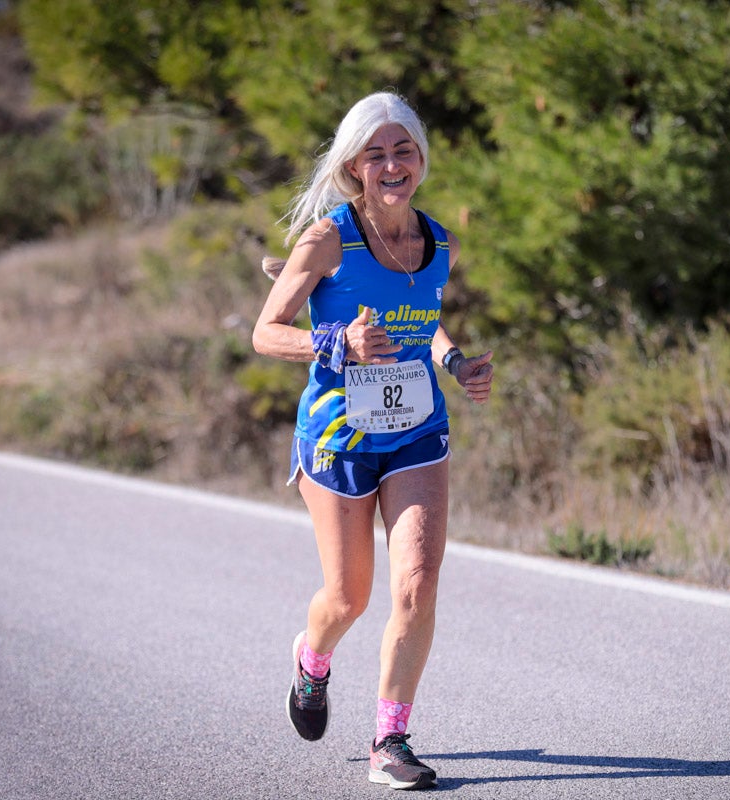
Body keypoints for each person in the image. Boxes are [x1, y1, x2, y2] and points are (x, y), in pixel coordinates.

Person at [252, 91, 494, 791]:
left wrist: (453, 362)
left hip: (418, 431)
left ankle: (391, 739)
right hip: (338, 437)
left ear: (421, 159)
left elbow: (422, 318)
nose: (392, 165)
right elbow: (265, 332)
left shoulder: (438, 240)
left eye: (404, 151)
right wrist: (338, 342)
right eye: (376, 154)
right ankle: (312, 659)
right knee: (349, 598)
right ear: (354, 165)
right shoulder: (329, 238)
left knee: (417, 584)